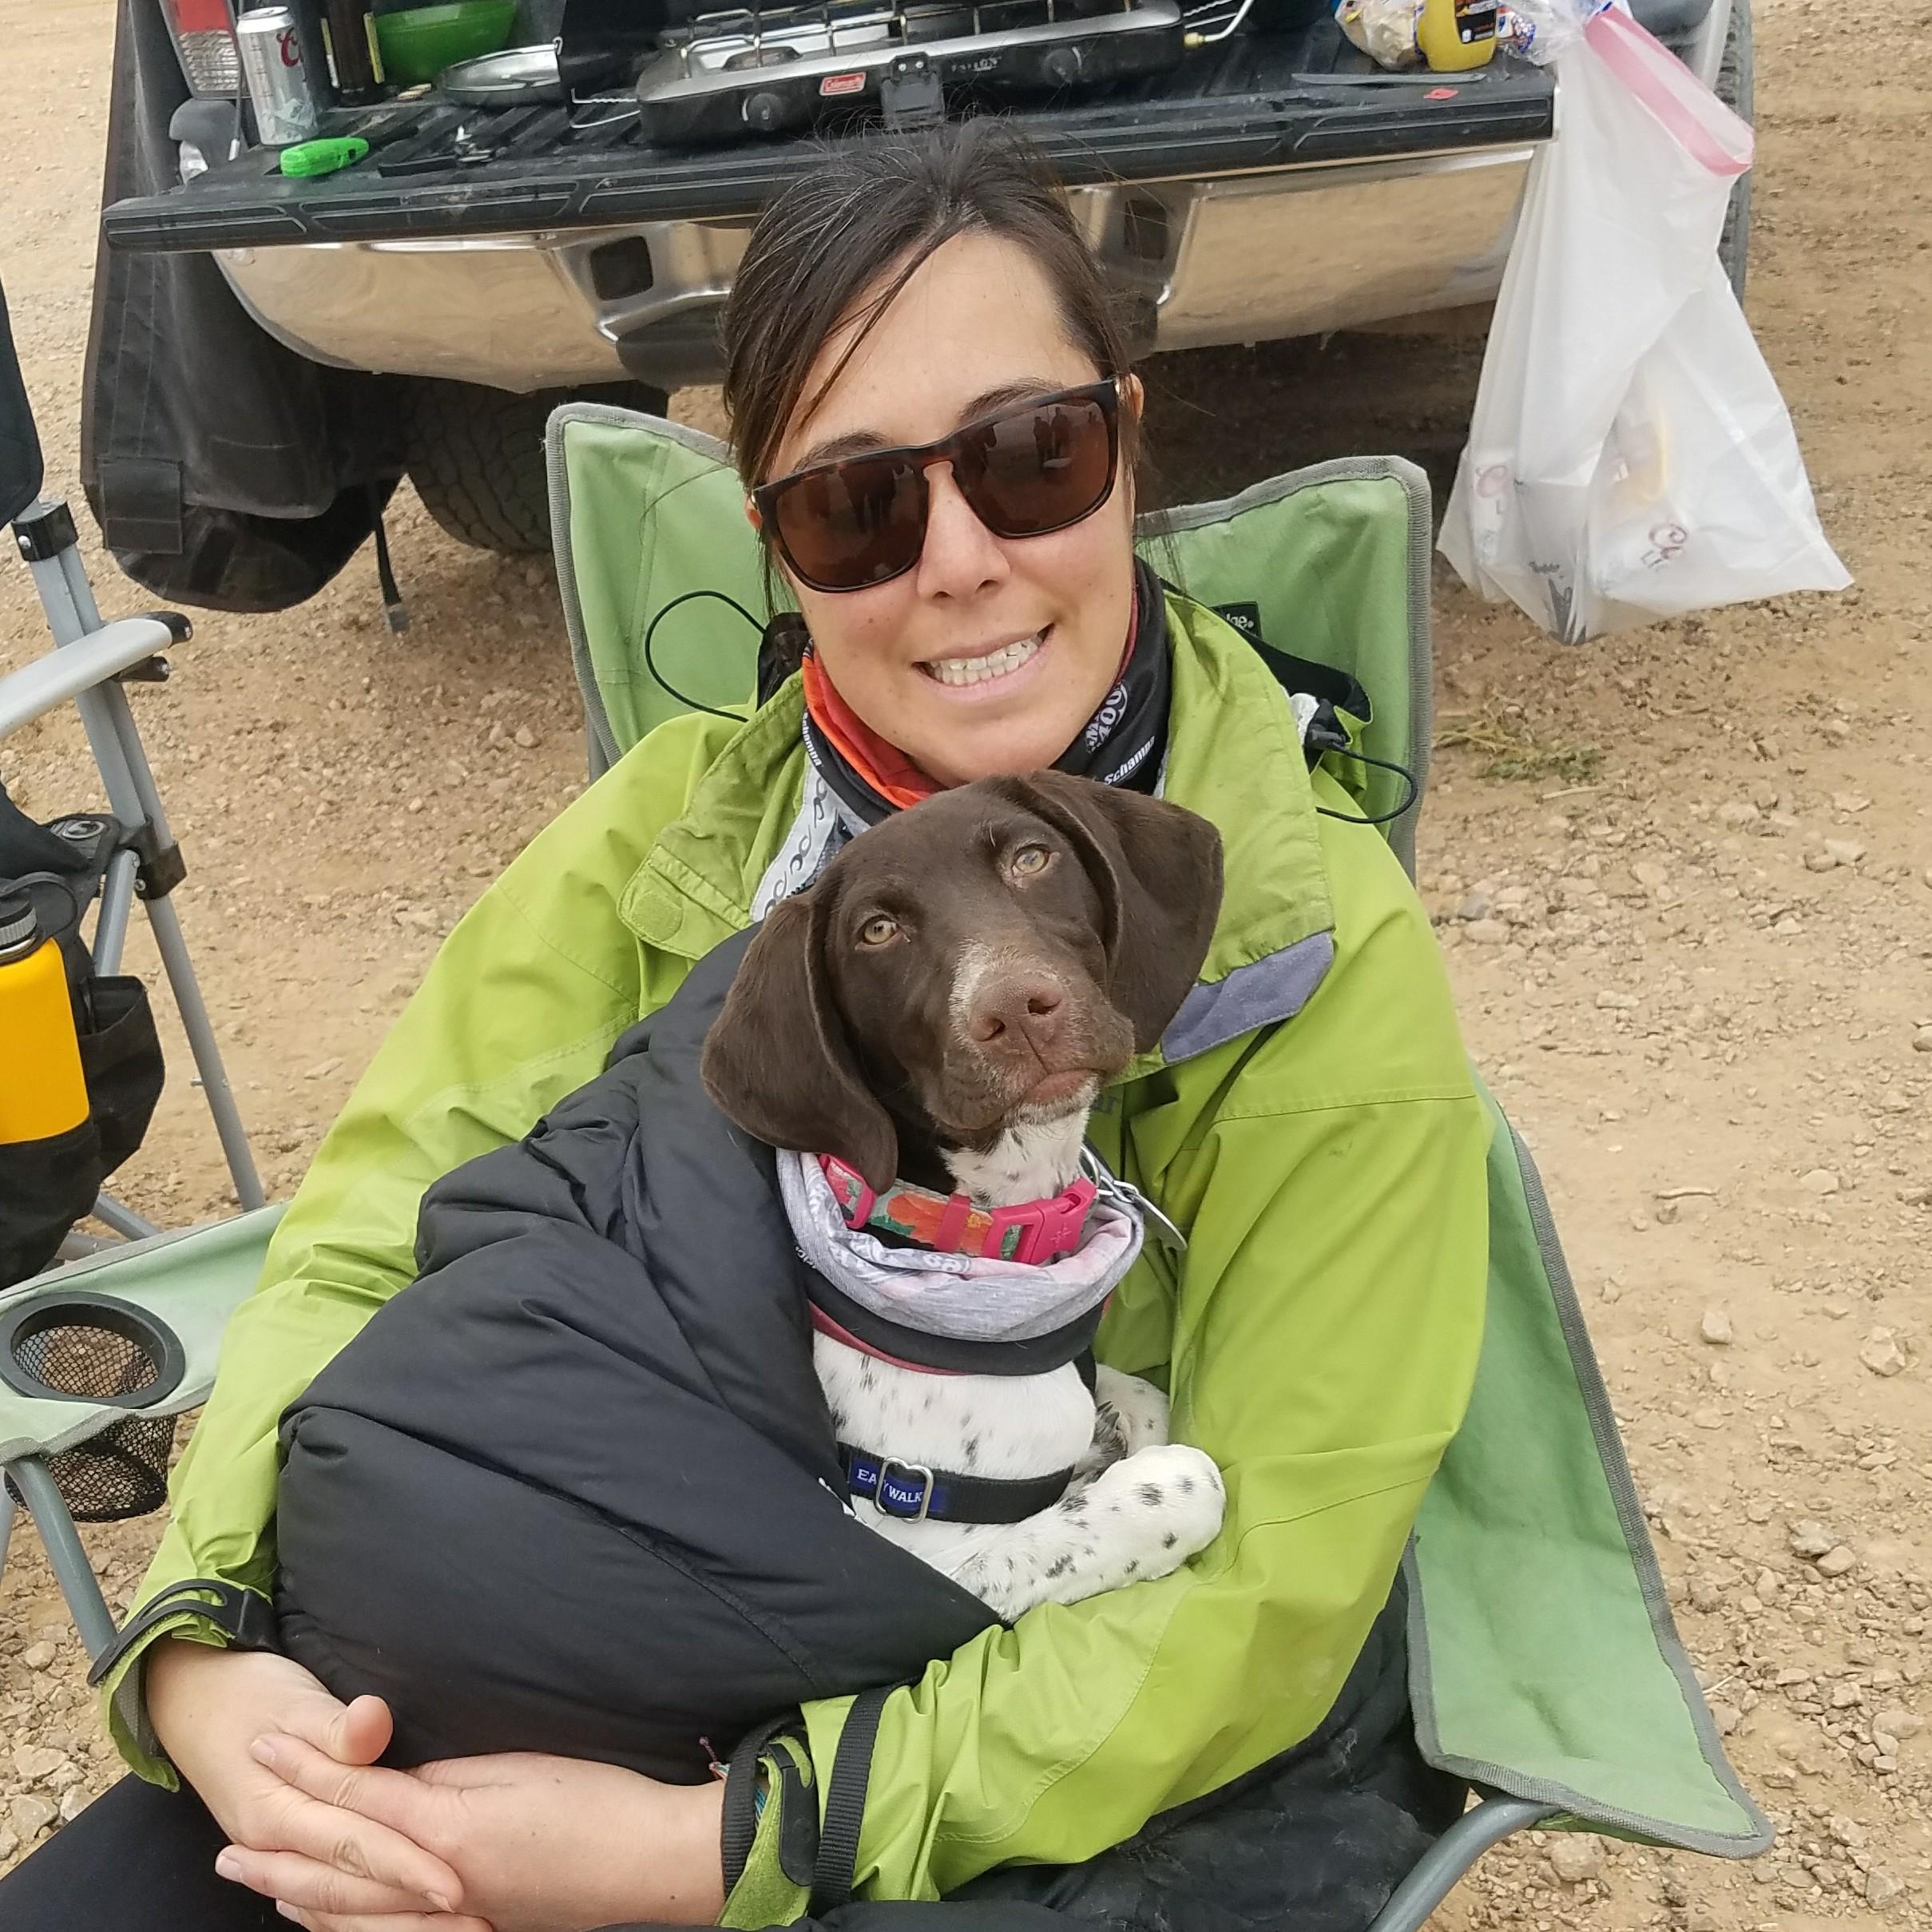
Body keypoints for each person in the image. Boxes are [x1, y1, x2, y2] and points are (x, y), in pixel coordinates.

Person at [0, 122, 1490, 1932]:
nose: (957, 559)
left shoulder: (1312, 950)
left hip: (999, 1744)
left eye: (1033, 454)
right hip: (499, 1645)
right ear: (779, 549)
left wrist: (704, 1846)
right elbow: (366, 1246)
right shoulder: (659, 844)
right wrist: (208, 1653)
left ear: (1127, 439)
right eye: (856, 506)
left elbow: (1267, 1581)